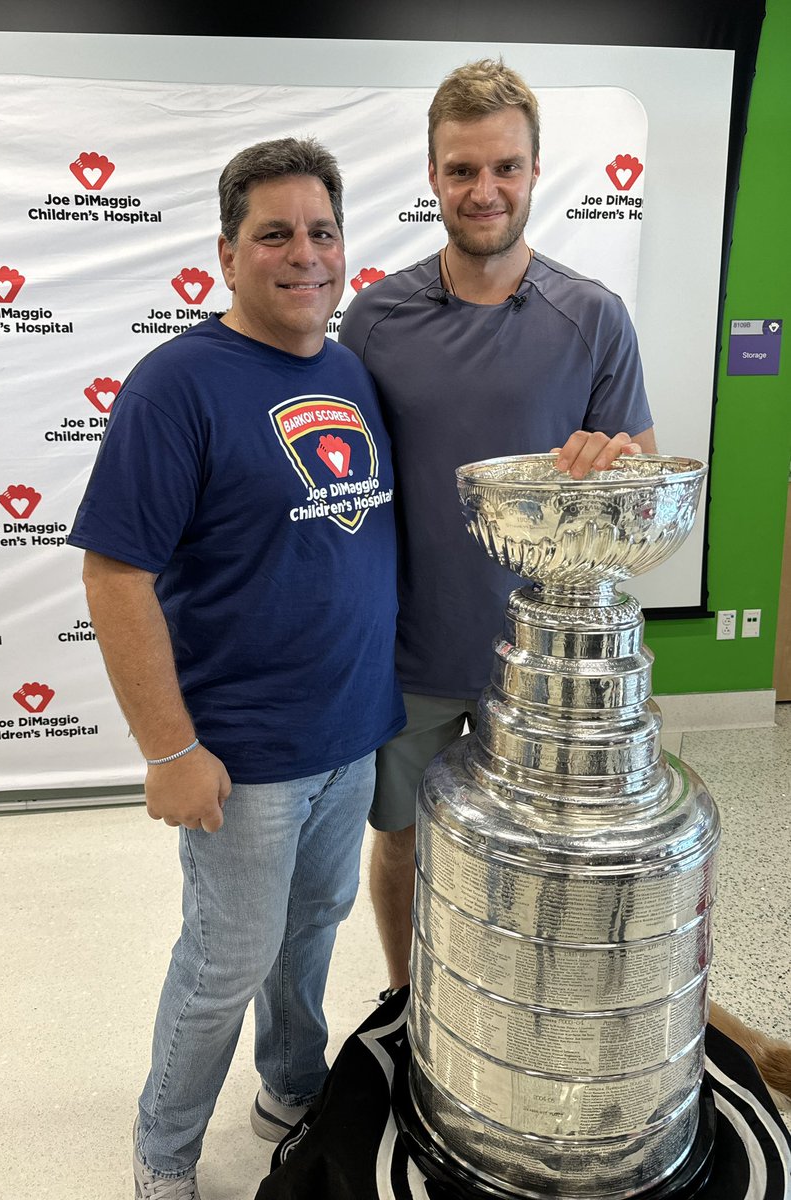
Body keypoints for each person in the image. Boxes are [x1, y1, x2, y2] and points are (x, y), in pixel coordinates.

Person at [67, 137, 405, 1198]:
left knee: (311, 930)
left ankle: (291, 1086)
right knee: (226, 962)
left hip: (350, 735)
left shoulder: (352, 370)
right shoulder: (178, 386)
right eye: (274, 234)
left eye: (321, 232)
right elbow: (116, 575)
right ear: (226, 251)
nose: (303, 254)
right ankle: (164, 1150)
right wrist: (170, 748)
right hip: (242, 757)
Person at [338, 58, 656, 995]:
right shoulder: (376, 318)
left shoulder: (594, 317)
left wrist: (617, 468)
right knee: (401, 844)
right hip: (412, 654)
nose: (485, 191)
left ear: (535, 169)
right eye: (463, 170)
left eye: (505, 168)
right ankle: (407, 1000)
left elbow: (642, 483)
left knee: (551, 859)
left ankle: (530, 1006)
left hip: (553, 656)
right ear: (433, 176)